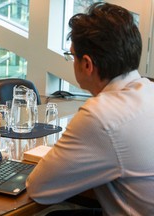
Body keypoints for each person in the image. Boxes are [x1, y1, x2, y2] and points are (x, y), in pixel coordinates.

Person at [26, 2, 154, 216]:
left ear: (87, 64)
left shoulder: (101, 114)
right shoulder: (148, 89)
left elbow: (39, 189)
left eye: (72, 56)